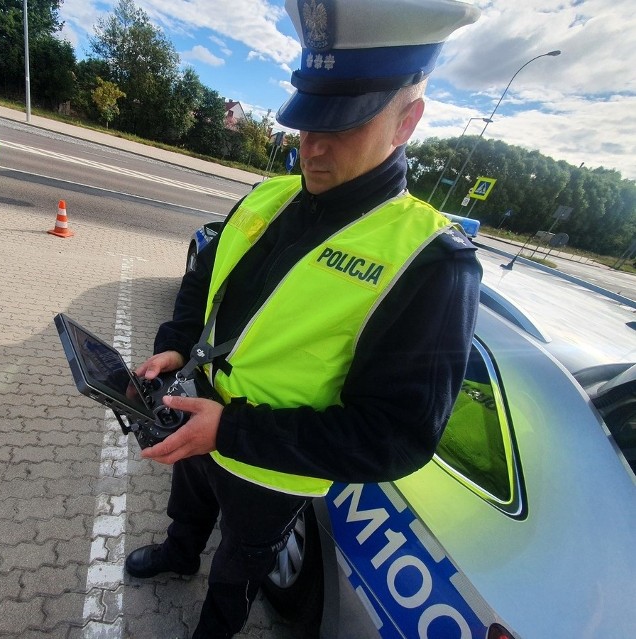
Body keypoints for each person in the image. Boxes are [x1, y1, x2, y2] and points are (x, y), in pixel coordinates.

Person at [126, 0, 483, 636]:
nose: (311, 147)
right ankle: (180, 555)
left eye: (340, 124)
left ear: (407, 121)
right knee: (191, 501)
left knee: (243, 563)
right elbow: (203, 279)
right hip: (202, 412)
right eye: (306, 121)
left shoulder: (432, 261)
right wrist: (177, 347)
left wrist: (231, 432)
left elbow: (396, 436)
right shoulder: (269, 195)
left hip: (271, 465)